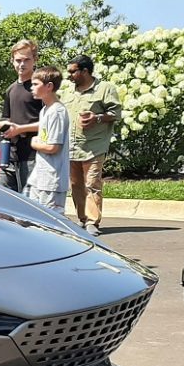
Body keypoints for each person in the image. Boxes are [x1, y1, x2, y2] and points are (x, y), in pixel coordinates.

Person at [62, 54, 121, 236]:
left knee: (92, 183)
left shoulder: (105, 89)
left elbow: (116, 114)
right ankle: (82, 219)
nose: (69, 75)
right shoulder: (68, 92)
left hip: (94, 146)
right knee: (76, 185)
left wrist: (97, 118)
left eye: (72, 71)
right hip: (72, 147)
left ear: (85, 71)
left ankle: (92, 221)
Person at [0, 39, 43, 193]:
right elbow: (7, 120)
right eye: (18, 60)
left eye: (26, 60)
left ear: (35, 60)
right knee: (0, 196)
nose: (22, 64)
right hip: (9, 156)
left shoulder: (41, 89)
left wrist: (21, 129)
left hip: (33, 156)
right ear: (12, 61)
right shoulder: (10, 89)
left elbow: (50, 123)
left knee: (30, 200)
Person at [25, 66, 71, 214]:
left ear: (49, 86)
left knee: (50, 220)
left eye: (35, 84)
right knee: (32, 217)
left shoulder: (57, 111)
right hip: (39, 177)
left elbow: (53, 147)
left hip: (52, 180)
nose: (31, 88)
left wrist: (34, 143)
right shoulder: (45, 110)